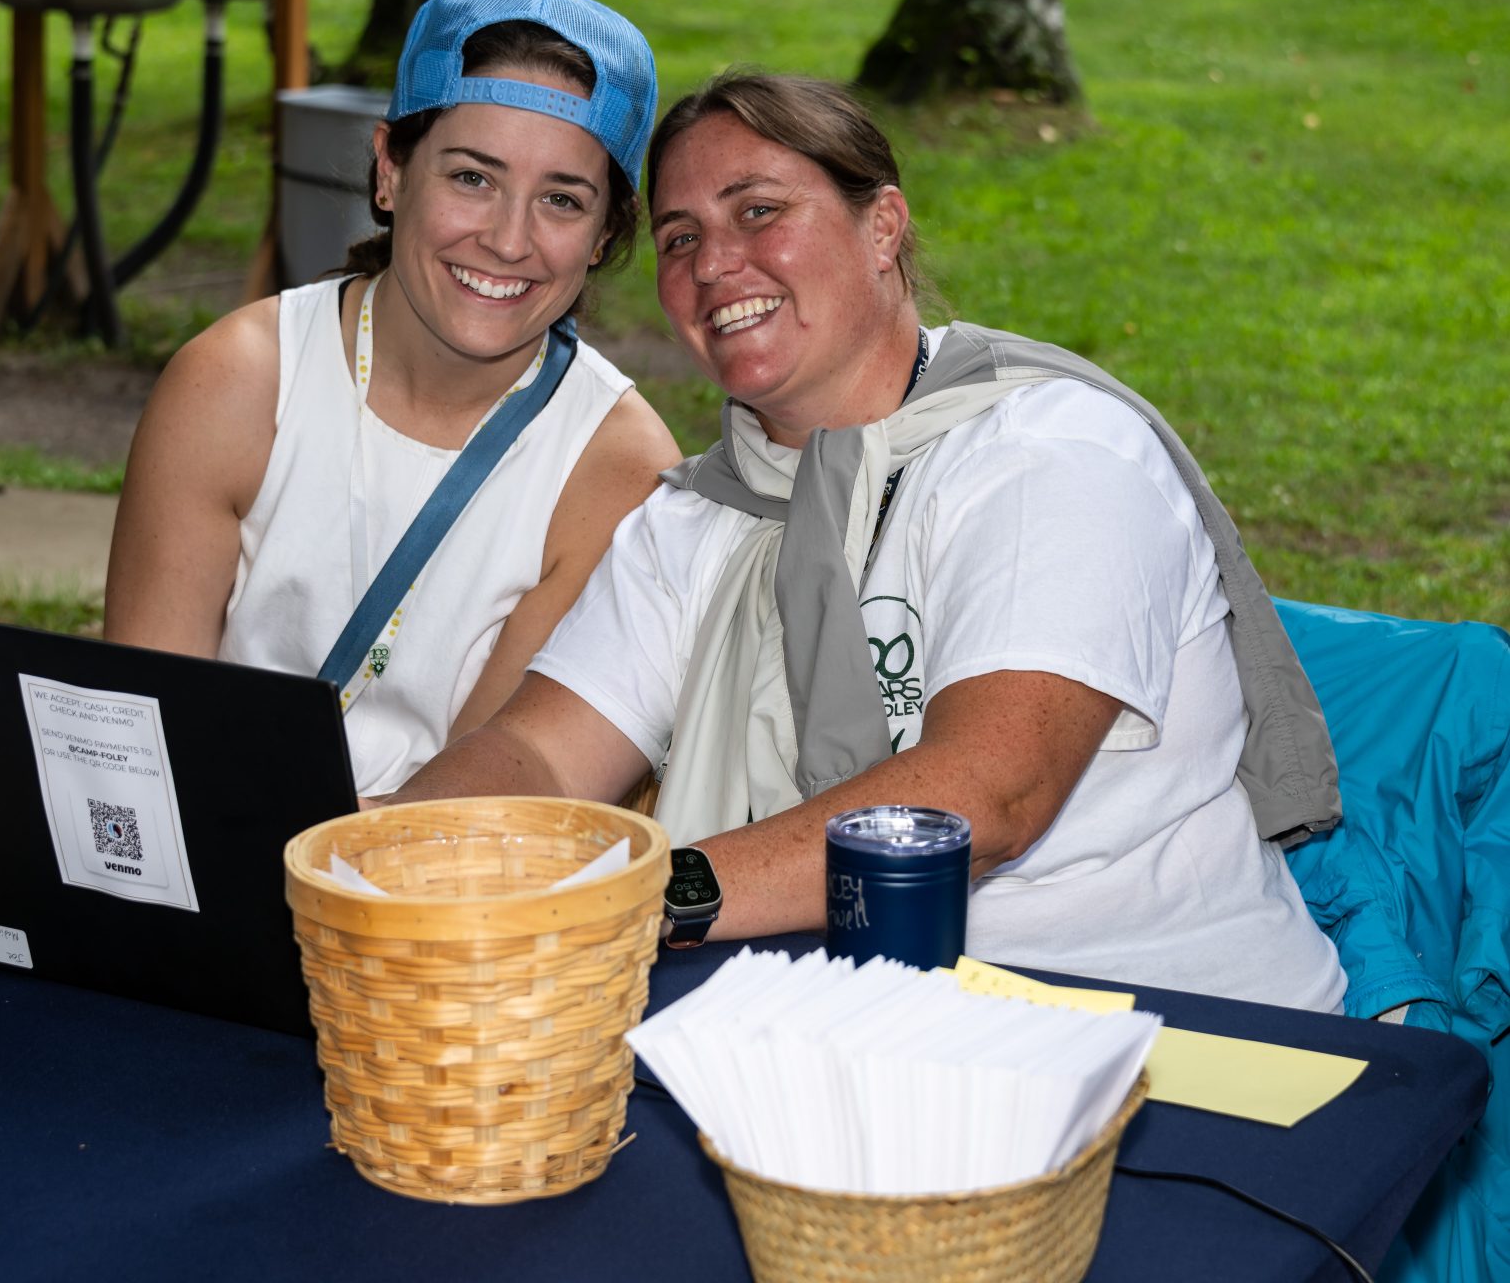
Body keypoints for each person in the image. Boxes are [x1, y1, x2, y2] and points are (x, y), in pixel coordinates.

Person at [387, 72, 1349, 1011]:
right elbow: (543, 756)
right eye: (680, 239)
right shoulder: (696, 517)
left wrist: (642, 897)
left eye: (758, 211)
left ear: (881, 228)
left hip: (1161, 1034)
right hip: (841, 1029)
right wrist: (381, 859)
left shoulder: (1050, 454)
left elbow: (985, 797)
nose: (714, 263)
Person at [104, 0, 679, 797]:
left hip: (436, 897)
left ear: (604, 236)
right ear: (390, 171)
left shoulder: (612, 469)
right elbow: (137, 733)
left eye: (561, 199)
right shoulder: (238, 383)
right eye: (472, 178)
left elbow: (491, 798)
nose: (508, 239)